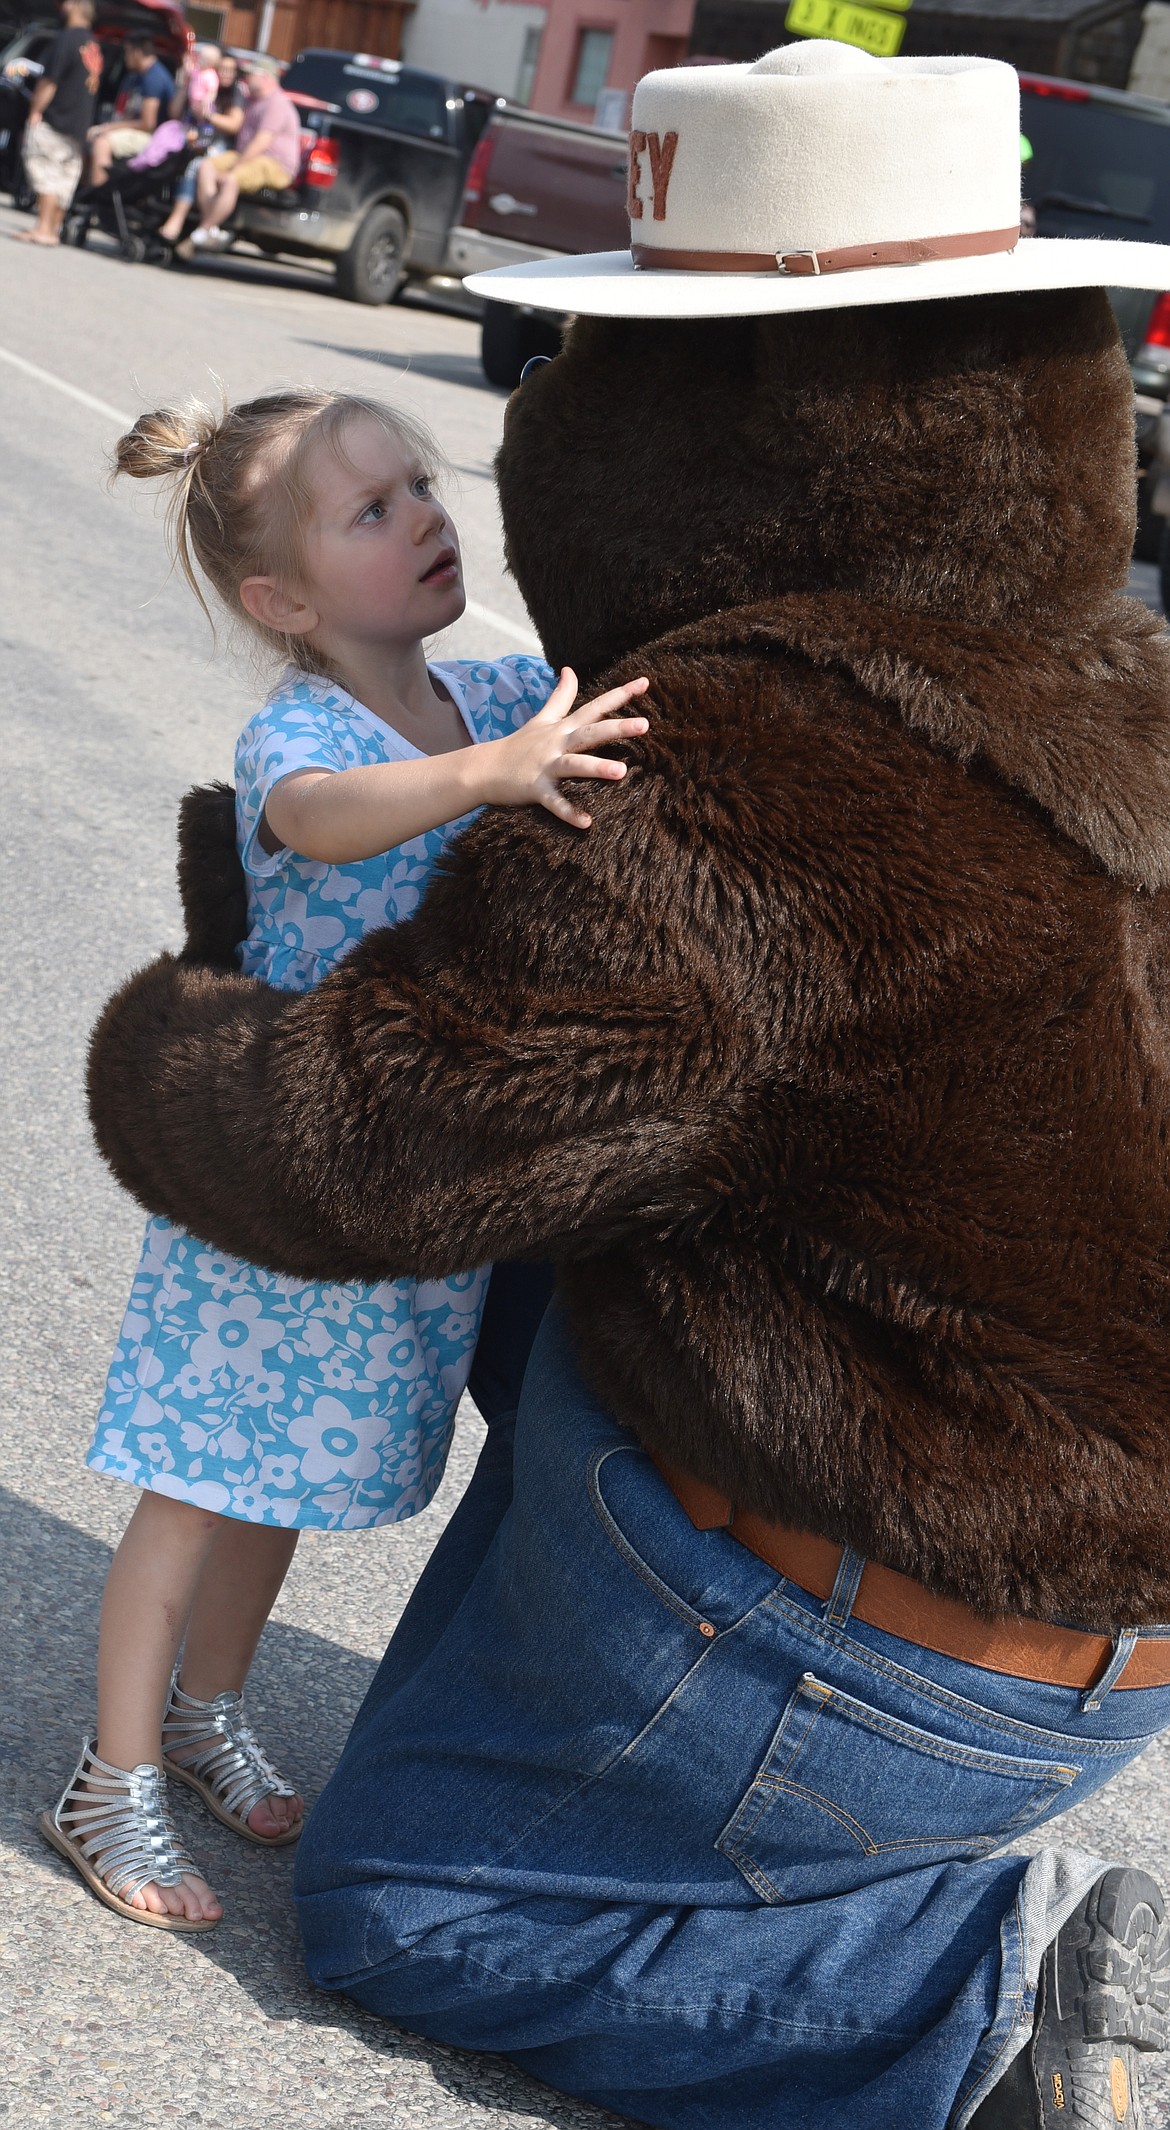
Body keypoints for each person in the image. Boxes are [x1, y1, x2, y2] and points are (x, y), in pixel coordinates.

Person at [82, 41, 1170, 2129]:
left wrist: (183, 1027)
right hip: (1100, 1605)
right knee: (614, 1183)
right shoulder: (1111, 684)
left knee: (414, 1901)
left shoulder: (722, 780)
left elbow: (347, 1159)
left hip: (876, 1624)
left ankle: (975, 2007)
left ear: (713, 421)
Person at [40, 385, 649, 1935]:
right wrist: (485, 775)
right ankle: (108, 1777)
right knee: (195, 1484)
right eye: (371, 509)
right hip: (278, 1179)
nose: (425, 517)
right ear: (284, 599)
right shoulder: (305, 732)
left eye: (422, 485)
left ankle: (208, 1707)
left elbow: (609, 690)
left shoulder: (496, 684)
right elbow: (317, 821)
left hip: (399, 1192)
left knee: (282, 1481)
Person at [175, 62, 299, 259]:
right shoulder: (253, 101)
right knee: (205, 166)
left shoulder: (276, 103)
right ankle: (210, 227)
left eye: (251, 75)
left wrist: (235, 168)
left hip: (273, 163)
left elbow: (261, 142)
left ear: (266, 78)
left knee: (230, 180)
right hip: (246, 155)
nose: (246, 79)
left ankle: (199, 234)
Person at [14, 0, 100, 247]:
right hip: (79, 122)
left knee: (44, 169)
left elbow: (50, 80)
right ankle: (53, 230)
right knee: (65, 177)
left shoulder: (67, 39)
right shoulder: (92, 45)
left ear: (74, 6)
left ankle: (43, 228)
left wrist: (35, 111)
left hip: (57, 117)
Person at [156, 50, 245, 248]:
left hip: (218, 146)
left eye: (231, 70)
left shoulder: (235, 94)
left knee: (195, 165)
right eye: (223, 69)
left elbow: (234, 124)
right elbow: (175, 112)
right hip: (191, 139)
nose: (227, 74)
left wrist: (208, 116)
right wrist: (186, 84)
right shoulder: (202, 84)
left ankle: (179, 219)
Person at [86, 35, 174, 188]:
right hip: (136, 131)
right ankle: (82, 194)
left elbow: (148, 124)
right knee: (90, 137)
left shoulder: (154, 78)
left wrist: (107, 128)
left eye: (127, 52)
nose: (125, 57)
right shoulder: (135, 77)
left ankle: (99, 198)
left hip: (153, 139)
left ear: (137, 53)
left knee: (102, 143)